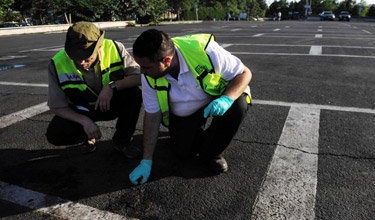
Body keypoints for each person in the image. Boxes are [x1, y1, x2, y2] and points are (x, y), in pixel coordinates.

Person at [129, 29, 252, 185]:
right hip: (185, 113)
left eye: (146, 67)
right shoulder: (149, 76)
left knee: (237, 107)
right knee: (182, 152)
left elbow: (244, 73)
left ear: (166, 61)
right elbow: (152, 115)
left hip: (215, 98)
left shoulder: (204, 50)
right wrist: (146, 160)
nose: (142, 72)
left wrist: (227, 99)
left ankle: (212, 153)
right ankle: (197, 134)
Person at [46, 21, 142, 158]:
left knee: (134, 95)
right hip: (82, 109)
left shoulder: (115, 48)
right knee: (56, 134)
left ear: (100, 46)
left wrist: (112, 86)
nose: (81, 63)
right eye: (76, 57)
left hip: (110, 104)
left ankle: (122, 141)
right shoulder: (56, 63)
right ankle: (87, 136)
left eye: (86, 58)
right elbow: (56, 106)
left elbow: (139, 77)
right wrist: (84, 121)